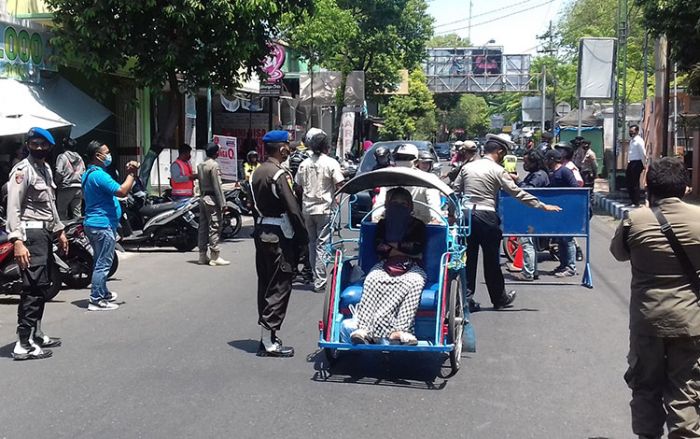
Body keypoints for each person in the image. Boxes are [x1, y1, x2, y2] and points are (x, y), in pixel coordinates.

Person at [610, 157, 700, 439]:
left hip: (647, 322)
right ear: (685, 187)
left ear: (648, 185)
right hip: (690, 322)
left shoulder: (634, 220)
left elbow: (619, 253)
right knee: (686, 389)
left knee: (645, 386)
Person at [453, 134, 561, 311]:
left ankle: (466, 300)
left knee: (468, 260)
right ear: (499, 151)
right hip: (487, 217)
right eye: (503, 154)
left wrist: (453, 214)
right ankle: (499, 298)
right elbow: (517, 193)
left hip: (467, 218)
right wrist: (541, 205)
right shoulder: (497, 170)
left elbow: (456, 190)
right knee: (491, 261)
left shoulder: (467, 168)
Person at [7, 128, 67, 360]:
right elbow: (14, 206)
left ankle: (35, 334)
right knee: (32, 289)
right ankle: (23, 344)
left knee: (42, 286)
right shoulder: (22, 170)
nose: (39, 147)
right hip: (30, 235)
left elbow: (50, 205)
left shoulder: (45, 169)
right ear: (28, 144)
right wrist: (18, 240)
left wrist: (59, 230)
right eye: (35, 143)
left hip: (44, 234)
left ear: (50, 147)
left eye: (43, 144)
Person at [251, 130, 308, 357]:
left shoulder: (257, 172)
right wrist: (303, 239)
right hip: (280, 234)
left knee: (265, 283)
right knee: (280, 285)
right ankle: (269, 343)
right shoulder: (278, 174)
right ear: (281, 148)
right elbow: (293, 209)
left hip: (262, 230)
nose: (290, 149)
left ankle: (267, 337)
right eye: (288, 145)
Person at [350, 187, 426, 345]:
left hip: (411, 266)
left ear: (410, 206)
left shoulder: (418, 225)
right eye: (394, 203)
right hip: (385, 265)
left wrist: (394, 246)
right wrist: (402, 248)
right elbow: (379, 247)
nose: (398, 206)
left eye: (402, 203)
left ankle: (400, 330)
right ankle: (364, 329)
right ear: (388, 205)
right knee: (371, 278)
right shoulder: (383, 224)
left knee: (416, 281)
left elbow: (416, 248)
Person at [82, 141, 139, 311]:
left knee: (100, 260)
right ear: (98, 156)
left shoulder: (90, 174)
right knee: (103, 263)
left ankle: (102, 292)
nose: (109, 155)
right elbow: (122, 191)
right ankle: (96, 299)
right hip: (102, 224)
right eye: (106, 152)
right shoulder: (99, 175)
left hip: (95, 223)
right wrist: (131, 174)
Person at [295, 128, 345, 292]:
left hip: (308, 209)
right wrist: (335, 198)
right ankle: (320, 281)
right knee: (322, 245)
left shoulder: (304, 164)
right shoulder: (331, 163)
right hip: (324, 209)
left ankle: (316, 277)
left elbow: (298, 186)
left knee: (312, 243)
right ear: (326, 147)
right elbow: (339, 185)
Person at [512, 149, 550, 281]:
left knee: (527, 242)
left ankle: (528, 273)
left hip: (534, 213)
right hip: (532, 212)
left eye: (527, 162)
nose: (525, 164)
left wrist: (517, 181)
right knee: (529, 243)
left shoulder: (539, 175)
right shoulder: (535, 174)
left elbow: (529, 191)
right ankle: (532, 271)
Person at [545, 149, 579, 277]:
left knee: (568, 239)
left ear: (552, 160)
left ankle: (571, 267)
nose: (546, 162)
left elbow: (575, 188)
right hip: (557, 211)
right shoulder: (552, 173)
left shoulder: (565, 171)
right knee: (560, 240)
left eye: (547, 159)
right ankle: (563, 264)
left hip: (567, 211)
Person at [197, 142, 230, 266]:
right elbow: (217, 186)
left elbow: (200, 183)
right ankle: (215, 256)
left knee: (203, 227)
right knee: (215, 226)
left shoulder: (201, 165)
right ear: (216, 153)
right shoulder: (214, 165)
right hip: (212, 199)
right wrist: (223, 203)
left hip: (203, 197)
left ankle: (202, 255)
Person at [54, 137, 86, 220]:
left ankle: (63, 231)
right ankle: (78, 231)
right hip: (78, 188)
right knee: (77, 213)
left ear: (64, 146)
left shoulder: (62, 157)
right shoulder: (80, 158)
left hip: (66, 188)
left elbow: (59, 172)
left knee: (61, 212)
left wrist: (56, 183)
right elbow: (84, 171)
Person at [627, 124, 647, 207]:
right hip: (631, 162)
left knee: (635, 182)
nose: (631, 133)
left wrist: (644, 164)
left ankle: (636, 202)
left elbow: (643, 153)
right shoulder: (632, 140)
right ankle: (632, 200)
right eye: (630, 131)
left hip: (637, 162)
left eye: (633, 131)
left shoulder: (639, 141)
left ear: (637, 131)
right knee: (629, 182)